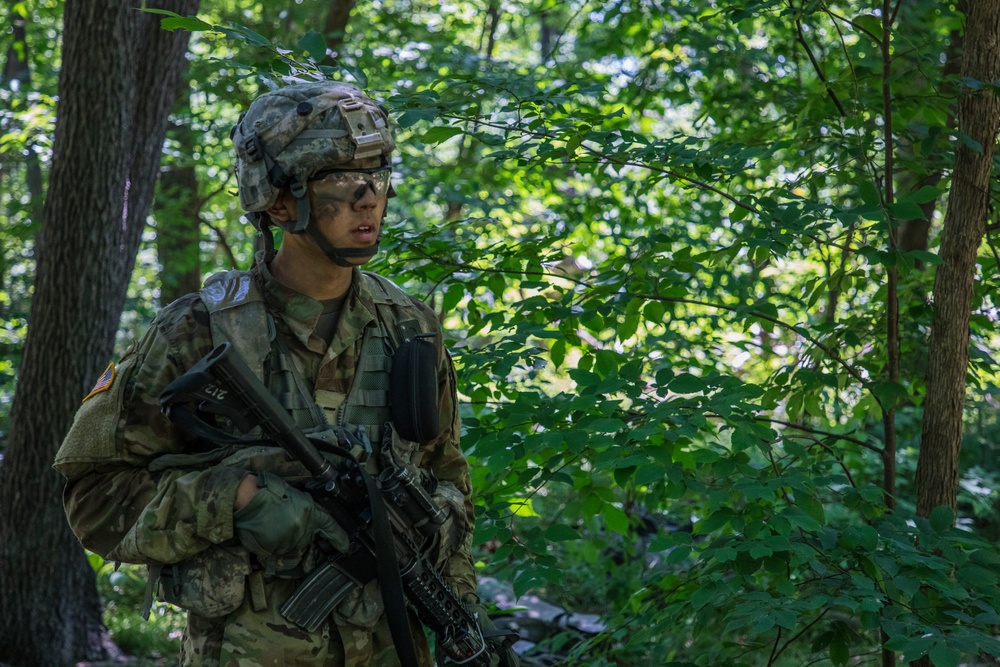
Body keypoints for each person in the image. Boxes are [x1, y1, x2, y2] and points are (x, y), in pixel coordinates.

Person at [54, 81, 517, 667]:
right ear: (279, 202)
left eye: (377, 176)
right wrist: (234, 498)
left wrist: (464, 623)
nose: (369, 199)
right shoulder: (196, 333)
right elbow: (92, 495)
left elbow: (449, 481)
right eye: (342, 182)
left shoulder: (409, 327)